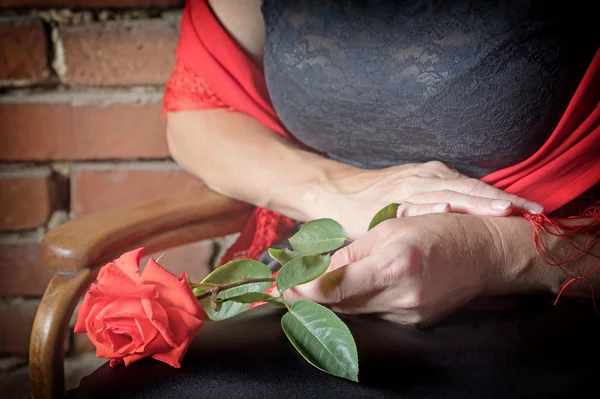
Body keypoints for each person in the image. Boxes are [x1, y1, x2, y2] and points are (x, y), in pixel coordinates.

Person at [164, 0, 600, 326]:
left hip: (558, 299)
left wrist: (490, 253)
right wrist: (333, 189)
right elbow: (199, 111)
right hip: (316, 294)